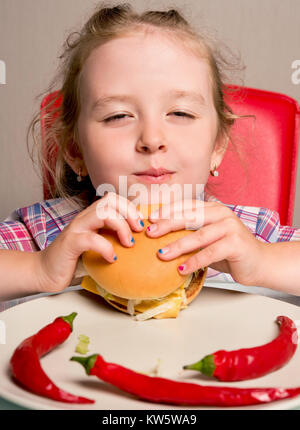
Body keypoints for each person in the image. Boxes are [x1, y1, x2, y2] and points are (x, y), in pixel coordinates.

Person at [1, 3, 300, 311]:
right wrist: (38, 269)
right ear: (75, 150)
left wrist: (263, 262)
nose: (152, 140)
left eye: (180, 113)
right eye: (118, 116)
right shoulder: (43, 232)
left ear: (217, 147)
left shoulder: (250, 233)